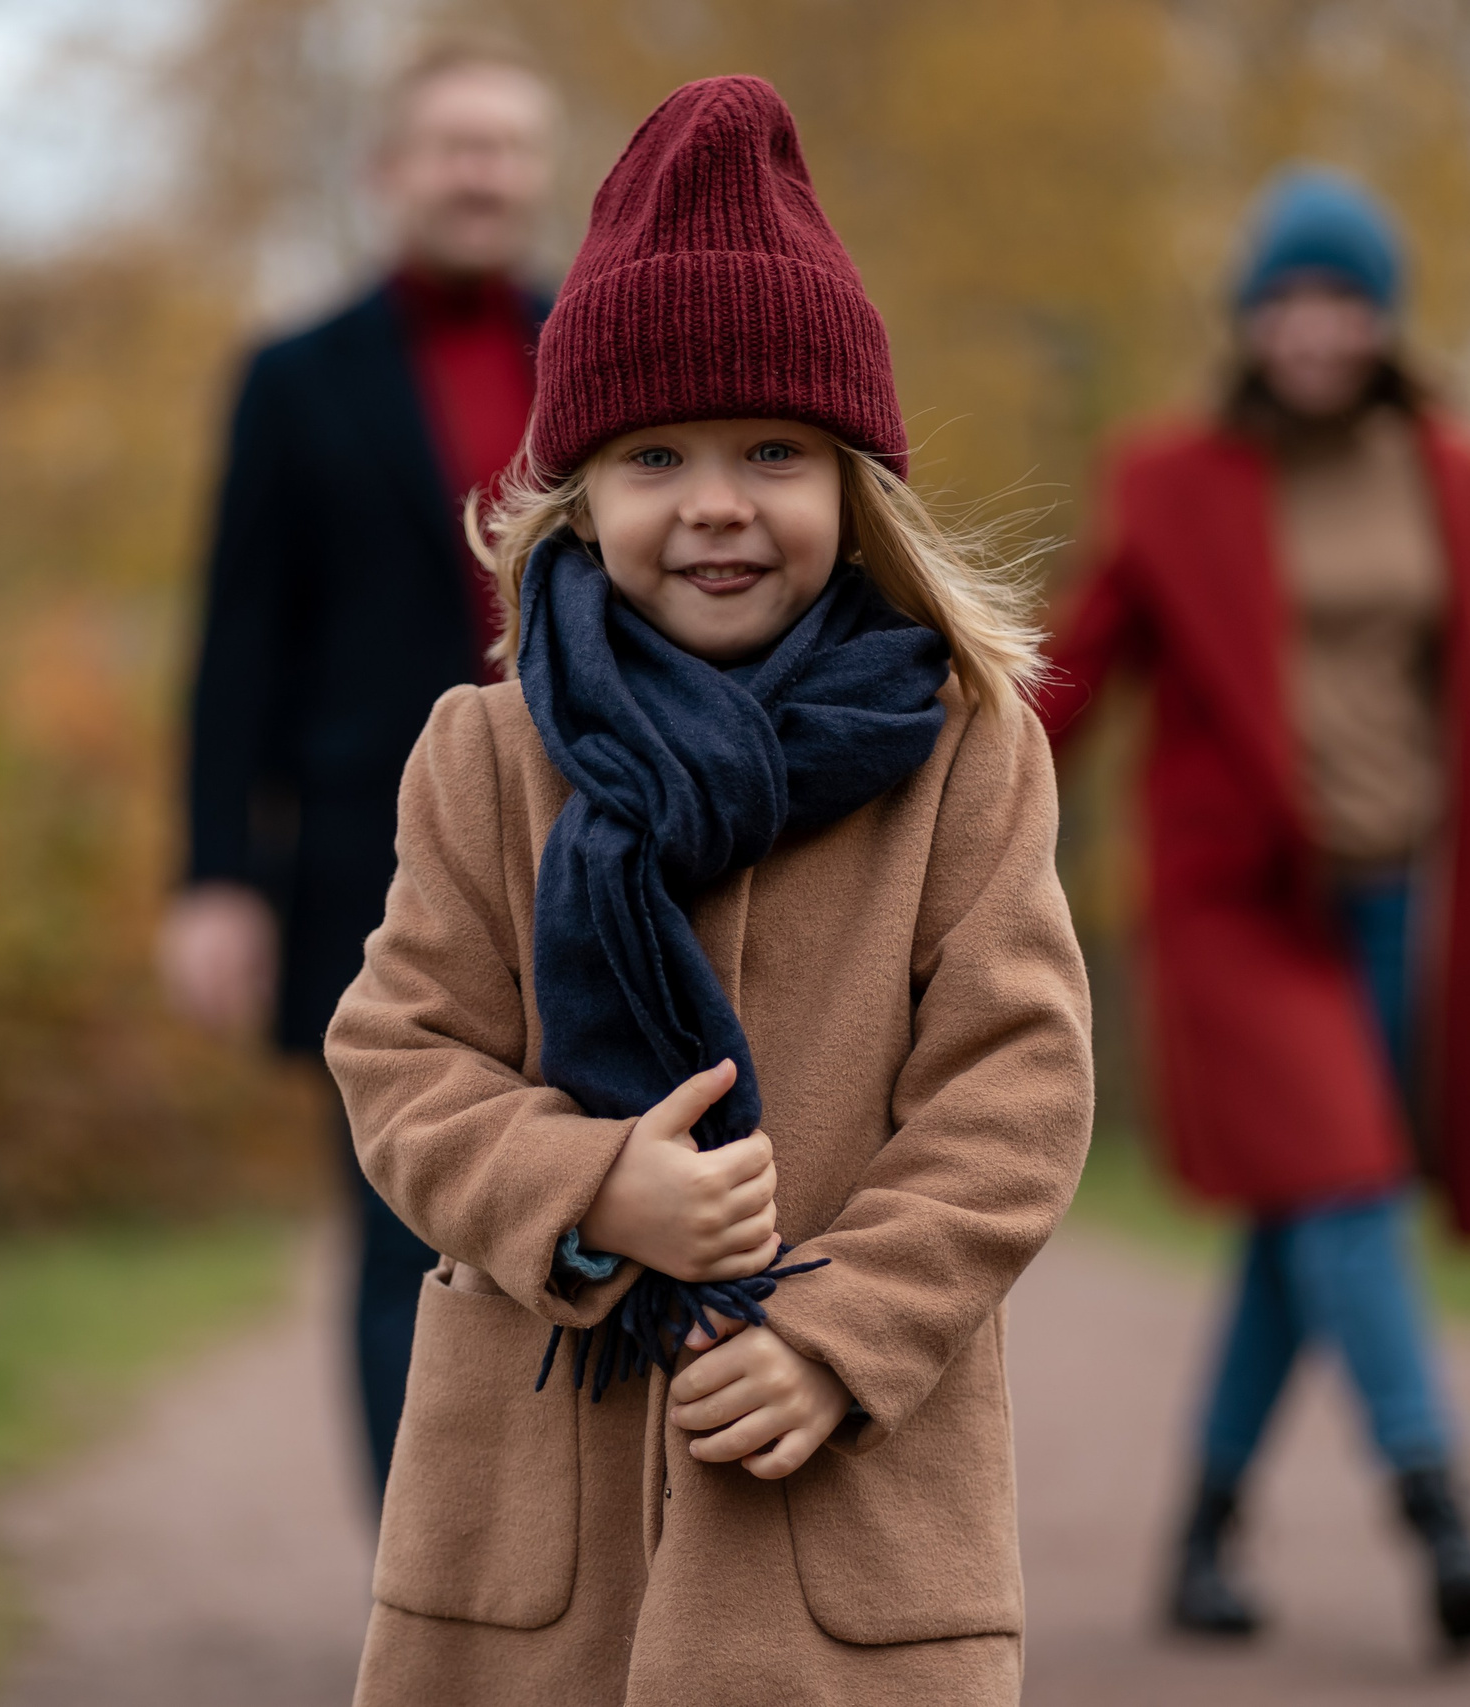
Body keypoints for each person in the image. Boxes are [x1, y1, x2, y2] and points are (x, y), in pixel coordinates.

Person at [324, 76, 1096, 1707]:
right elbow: (400, 1058)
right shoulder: (486, 756)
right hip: (538, 1546)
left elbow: (1014, 1087)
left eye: (774, 451)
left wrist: (839, 1329)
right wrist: (592, 1188)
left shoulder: (965, 755)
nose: (718, 503)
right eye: (655, 454)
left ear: (856, 488)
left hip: (841, 1520)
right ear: (578, 498)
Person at [1036, 168, 1470, 1656]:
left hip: (1399, 893)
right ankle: (1436, 1502)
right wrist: (934, 776)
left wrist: (1459, 734)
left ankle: (1202, 1533)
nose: (1317, 329)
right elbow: (1074, 676)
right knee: (1346, 1179)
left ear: (1384, 320)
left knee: (1303, 1219)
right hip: (1232, 903)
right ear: (1251, 319)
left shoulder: (1450, 474)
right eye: (1289, 300)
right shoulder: (1172, 480)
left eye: (1344, 301)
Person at [158, 42, 558, 1501]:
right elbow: (234, 643)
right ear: (386, 173)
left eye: (507, 147)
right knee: (408, 1236)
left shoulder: (602, 351)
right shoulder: (293, 380)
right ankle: (429, 1605)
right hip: (367, 868)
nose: (482, 173)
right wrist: (215, 876)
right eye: (454, 145)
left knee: (587, 1218)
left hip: (600, 852)